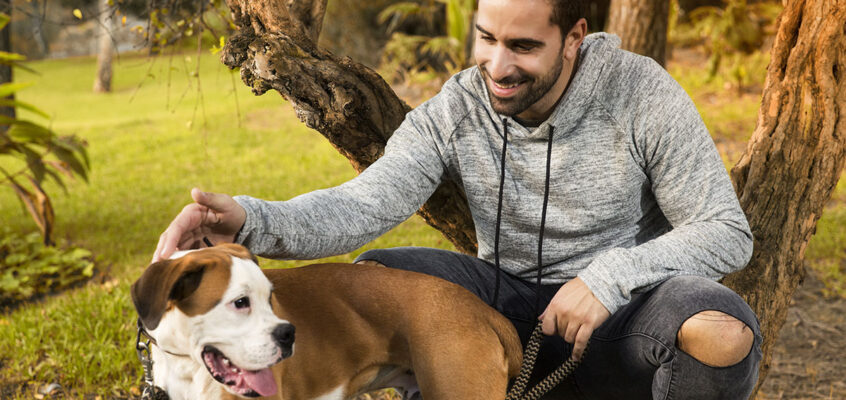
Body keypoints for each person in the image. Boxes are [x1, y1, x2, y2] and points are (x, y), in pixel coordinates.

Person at [153, 0, 762, 398]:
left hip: (622, 314)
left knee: (721, 330)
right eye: (487, 38)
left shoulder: (640, 92)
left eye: (523, 47)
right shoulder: (461, 103)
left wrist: (609, 277)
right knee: (382, 277)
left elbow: (725, 229)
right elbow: (366, 203)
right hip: (503, 300)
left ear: (573, 36)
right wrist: (250, 219)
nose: (497, 65)